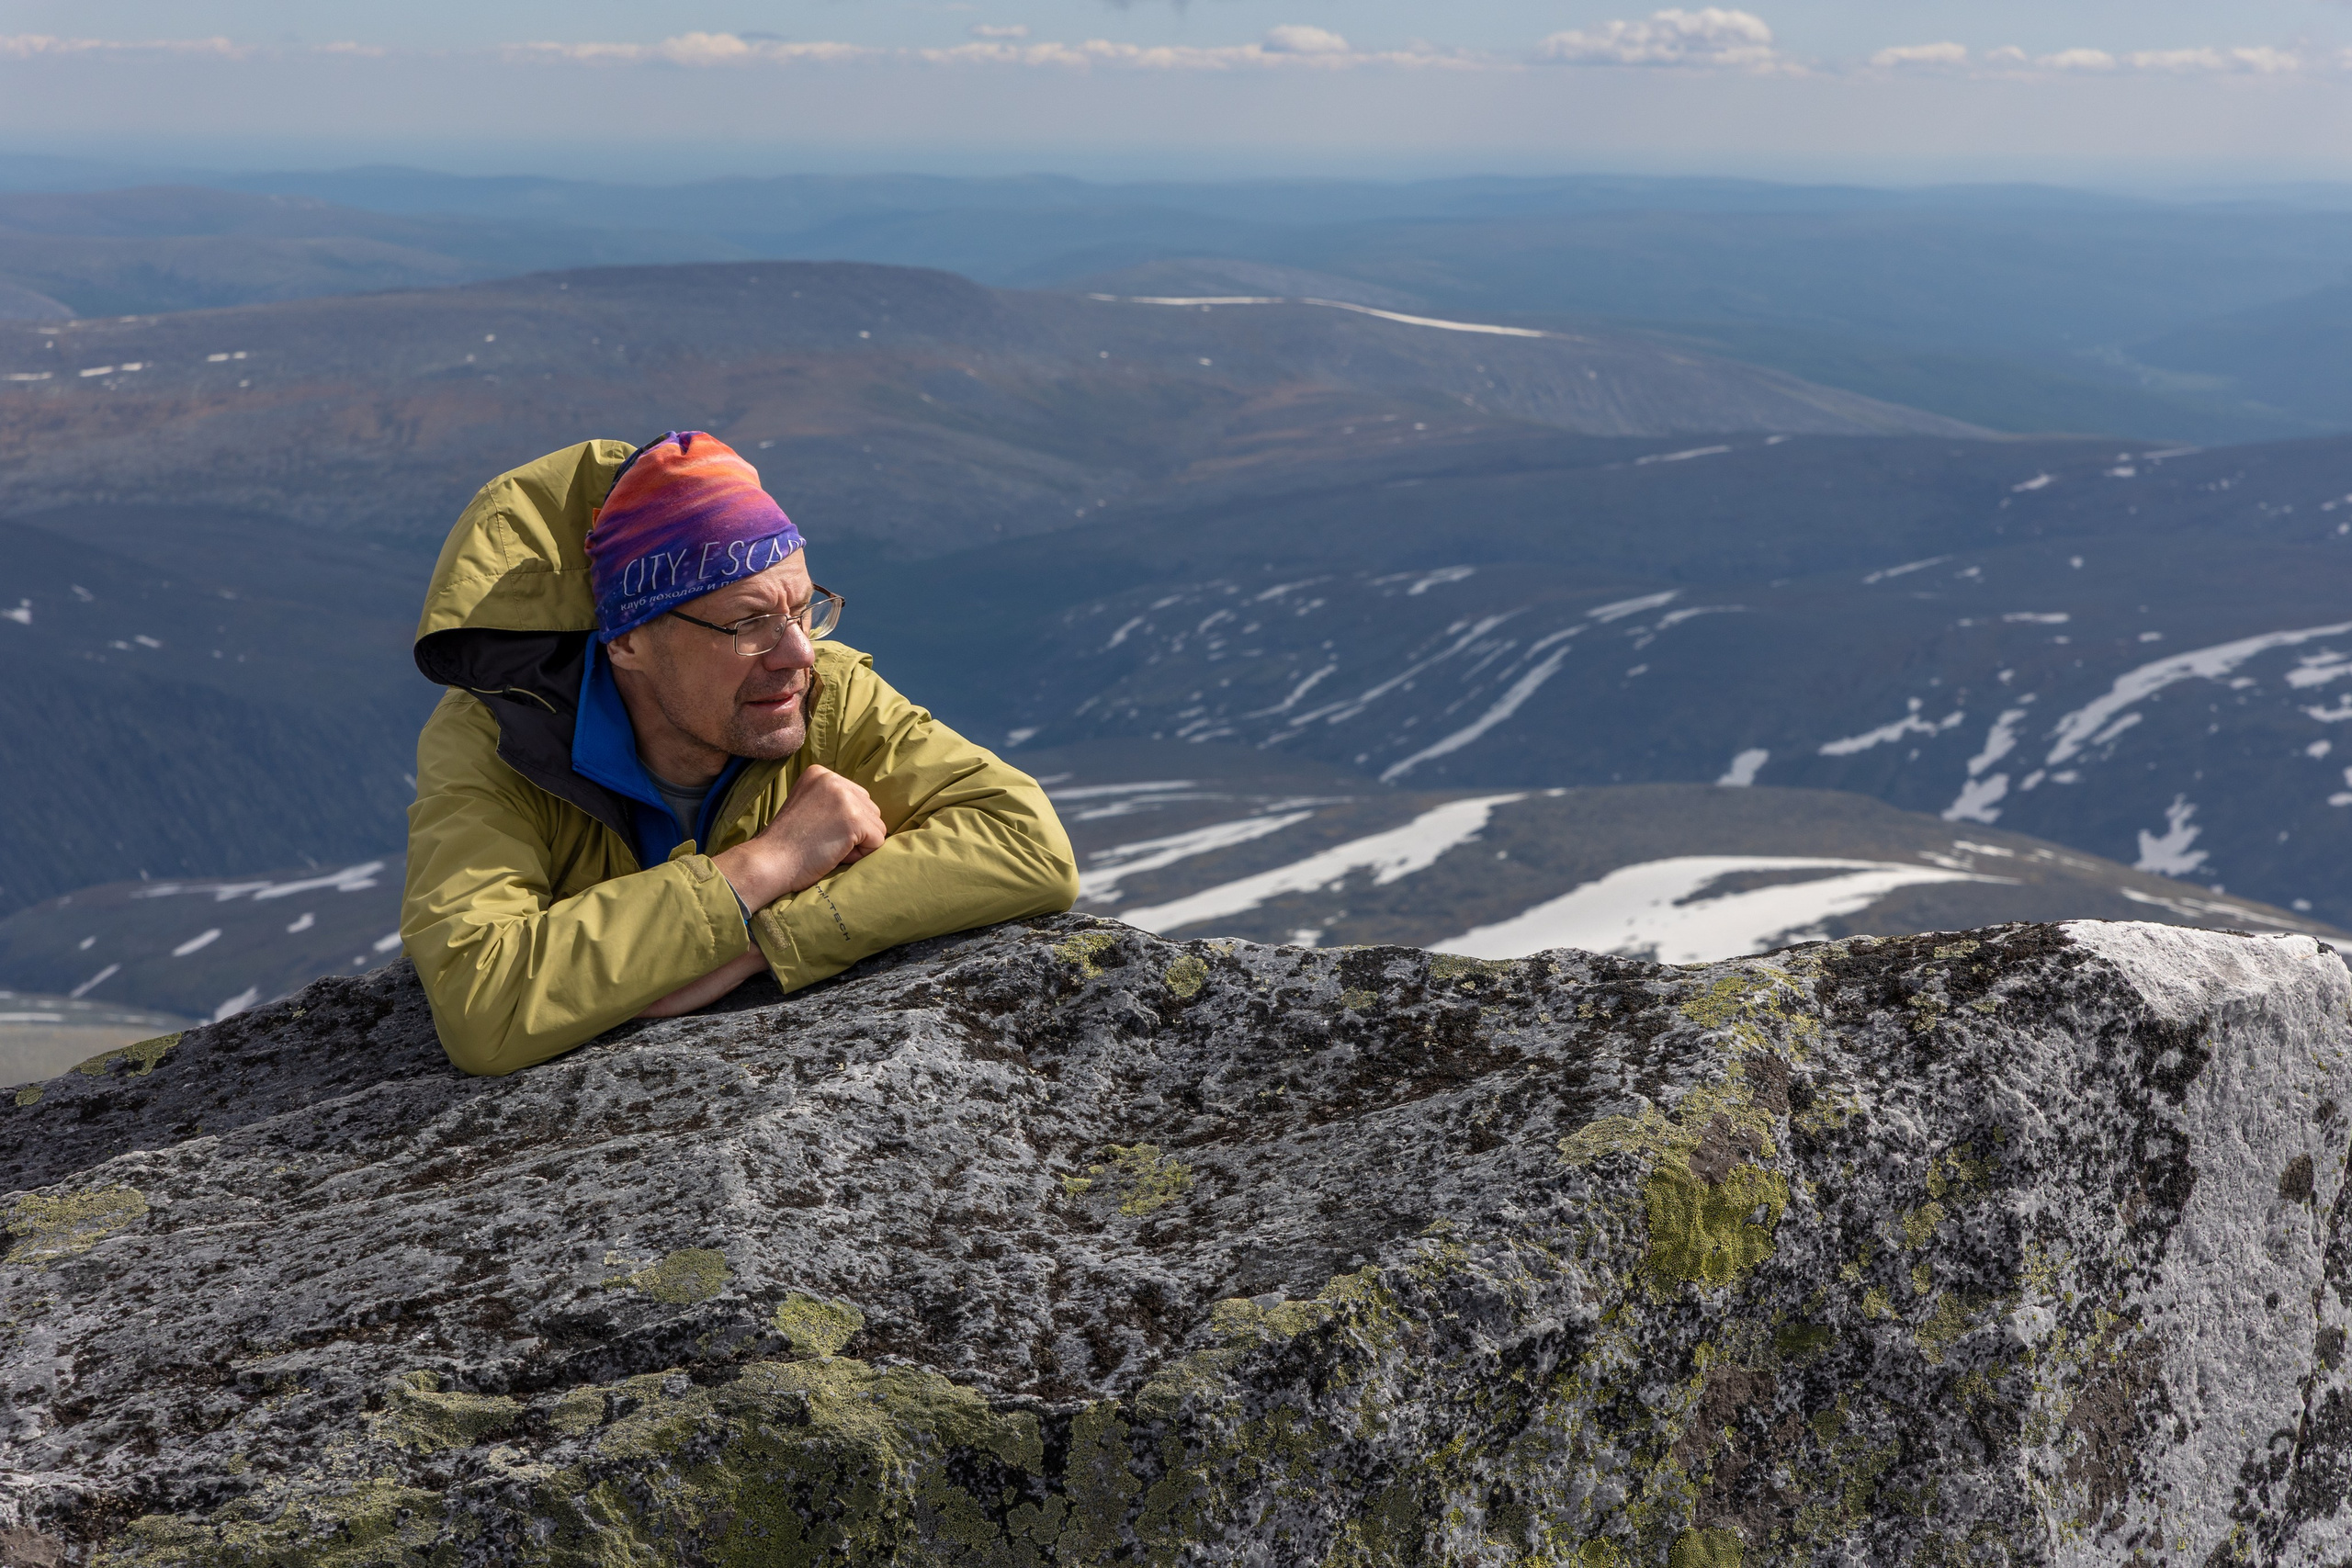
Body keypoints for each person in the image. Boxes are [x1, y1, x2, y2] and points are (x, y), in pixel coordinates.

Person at [401, 432, 1078, 1075]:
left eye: (804, 607)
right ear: (627, 641)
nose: (799, 654)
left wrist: (764, 940)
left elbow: (1029, 846)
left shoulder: (830, 695)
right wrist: (767, 863)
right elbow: (480, 1002)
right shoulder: (500, 739)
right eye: (748, 623)